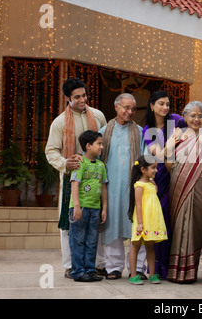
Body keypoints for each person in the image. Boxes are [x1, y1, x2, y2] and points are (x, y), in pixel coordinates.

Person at [45, 77, 107, 278]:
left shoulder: (97, 116)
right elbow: (51, 150)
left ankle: (97, 264)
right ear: (67, 98)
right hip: (72, 178)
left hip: (95, 178)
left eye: (84, 95)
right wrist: (65, 164)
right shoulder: (60, 122)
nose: (82, 100)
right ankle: (71, 265)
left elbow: (104, 144)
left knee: (95, 223)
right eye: (77, 97)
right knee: (69, 222)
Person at [164, 101, 202, 283]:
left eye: (200, 116)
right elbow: (170, 167)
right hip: (179, 186)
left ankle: (190, 272)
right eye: (192, 115)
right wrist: (170, 148)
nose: (196, 119)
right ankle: (175, 271)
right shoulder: (177, 136)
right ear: (184, 116)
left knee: (195, 228)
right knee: (179, 226)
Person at [99, 93, 146, 280]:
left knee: (139, 226)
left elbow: (145, 159)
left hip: (134, 187)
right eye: (126, 108)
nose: (130, 112)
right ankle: (113, 267)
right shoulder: (104, 131)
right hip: (111, 188)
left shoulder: (141, 131)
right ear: (116, 106)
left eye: (133, 109)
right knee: (113, 226)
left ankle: (139, 267)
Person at [142, 90, 187, 279]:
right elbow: (158, 156)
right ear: (152, 105)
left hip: (177, 174)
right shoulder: (147, 129)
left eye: (167, 104)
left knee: (173, 221)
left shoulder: (176, 120)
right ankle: (158, 268)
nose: (165, 107)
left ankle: (173, 266)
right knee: (159, 220)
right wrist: (170, 142)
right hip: (158, 178)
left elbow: (195, 128)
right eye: (161, 103)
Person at [68, 130, 108, 282]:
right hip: (81, 208)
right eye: (99, 144)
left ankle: (90, 271)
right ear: (88, 145)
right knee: (77, 240)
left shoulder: (101, 166)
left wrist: (104, 208)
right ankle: (78, 272)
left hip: (95, 209)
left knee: (92, 242)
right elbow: (75, 184)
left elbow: (103, 188)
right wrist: (76, 206)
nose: (101, 147)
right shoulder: (80, 163)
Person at [128, 155, 168, 285]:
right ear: (143, 169)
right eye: (153, 168)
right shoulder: (139, 185)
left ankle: (151, 274)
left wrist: (154, 184)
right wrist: (140, 223)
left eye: (156, 167)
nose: (156, 170)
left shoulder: (151, 184)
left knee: (150, 247)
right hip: (142, 221)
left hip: (151, 221)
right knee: (136, 246)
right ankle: (133, 275)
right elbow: (138, 205)